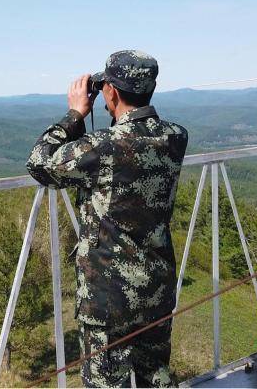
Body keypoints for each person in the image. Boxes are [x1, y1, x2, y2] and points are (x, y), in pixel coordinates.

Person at [26, 50, 188, 388]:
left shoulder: (103, 147)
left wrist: (74, 114)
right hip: (156, 287)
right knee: (155, 378)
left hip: (108, 296)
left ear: (110, 91)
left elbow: (40, 163)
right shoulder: (176, 136)